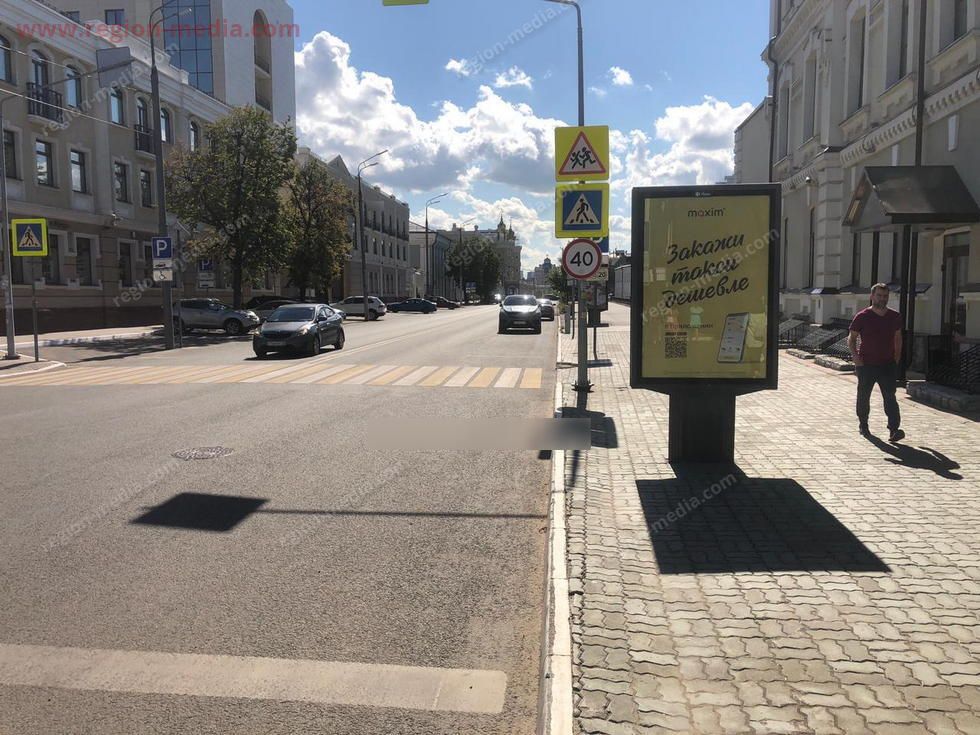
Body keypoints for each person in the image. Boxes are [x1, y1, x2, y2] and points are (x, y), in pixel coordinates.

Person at [848, 283, 905, 442]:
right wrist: (856, 358)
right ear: (872, 296)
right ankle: (863, 424)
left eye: (885, 296)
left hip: (887, 364)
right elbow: (851, 339)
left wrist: (896, 359)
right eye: (879, 295)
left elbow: (898, 338)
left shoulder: (894, 316)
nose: (882, 299)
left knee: (890, 397)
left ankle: (894, 429)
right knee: (863, 396)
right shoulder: (862, 316)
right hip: (866, 365)